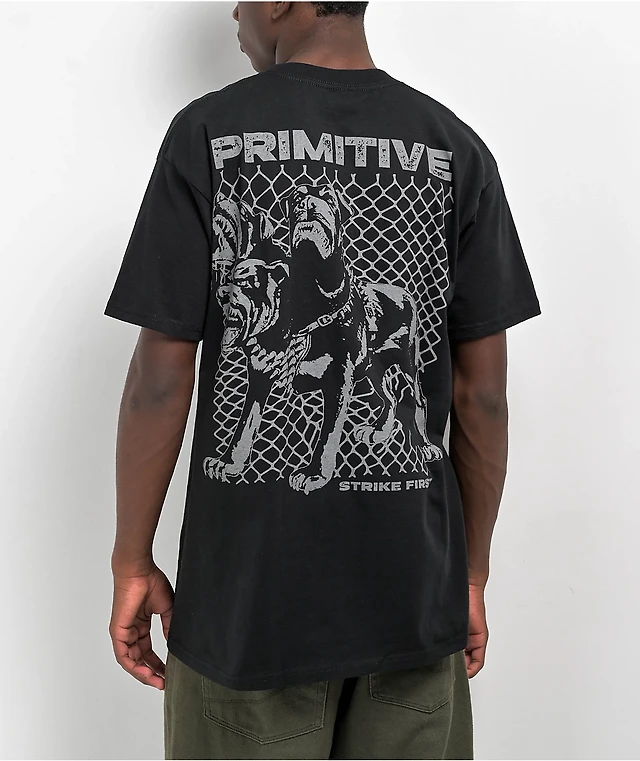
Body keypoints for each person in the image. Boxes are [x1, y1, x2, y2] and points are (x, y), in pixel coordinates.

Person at [105, 1, 542, 758]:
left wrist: (131, 560)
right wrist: (469, 576)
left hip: (248, 610)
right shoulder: (456, 147)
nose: (235, 13)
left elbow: (159, 379)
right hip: (412, 600)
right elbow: (485, 396)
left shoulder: (208, 132)